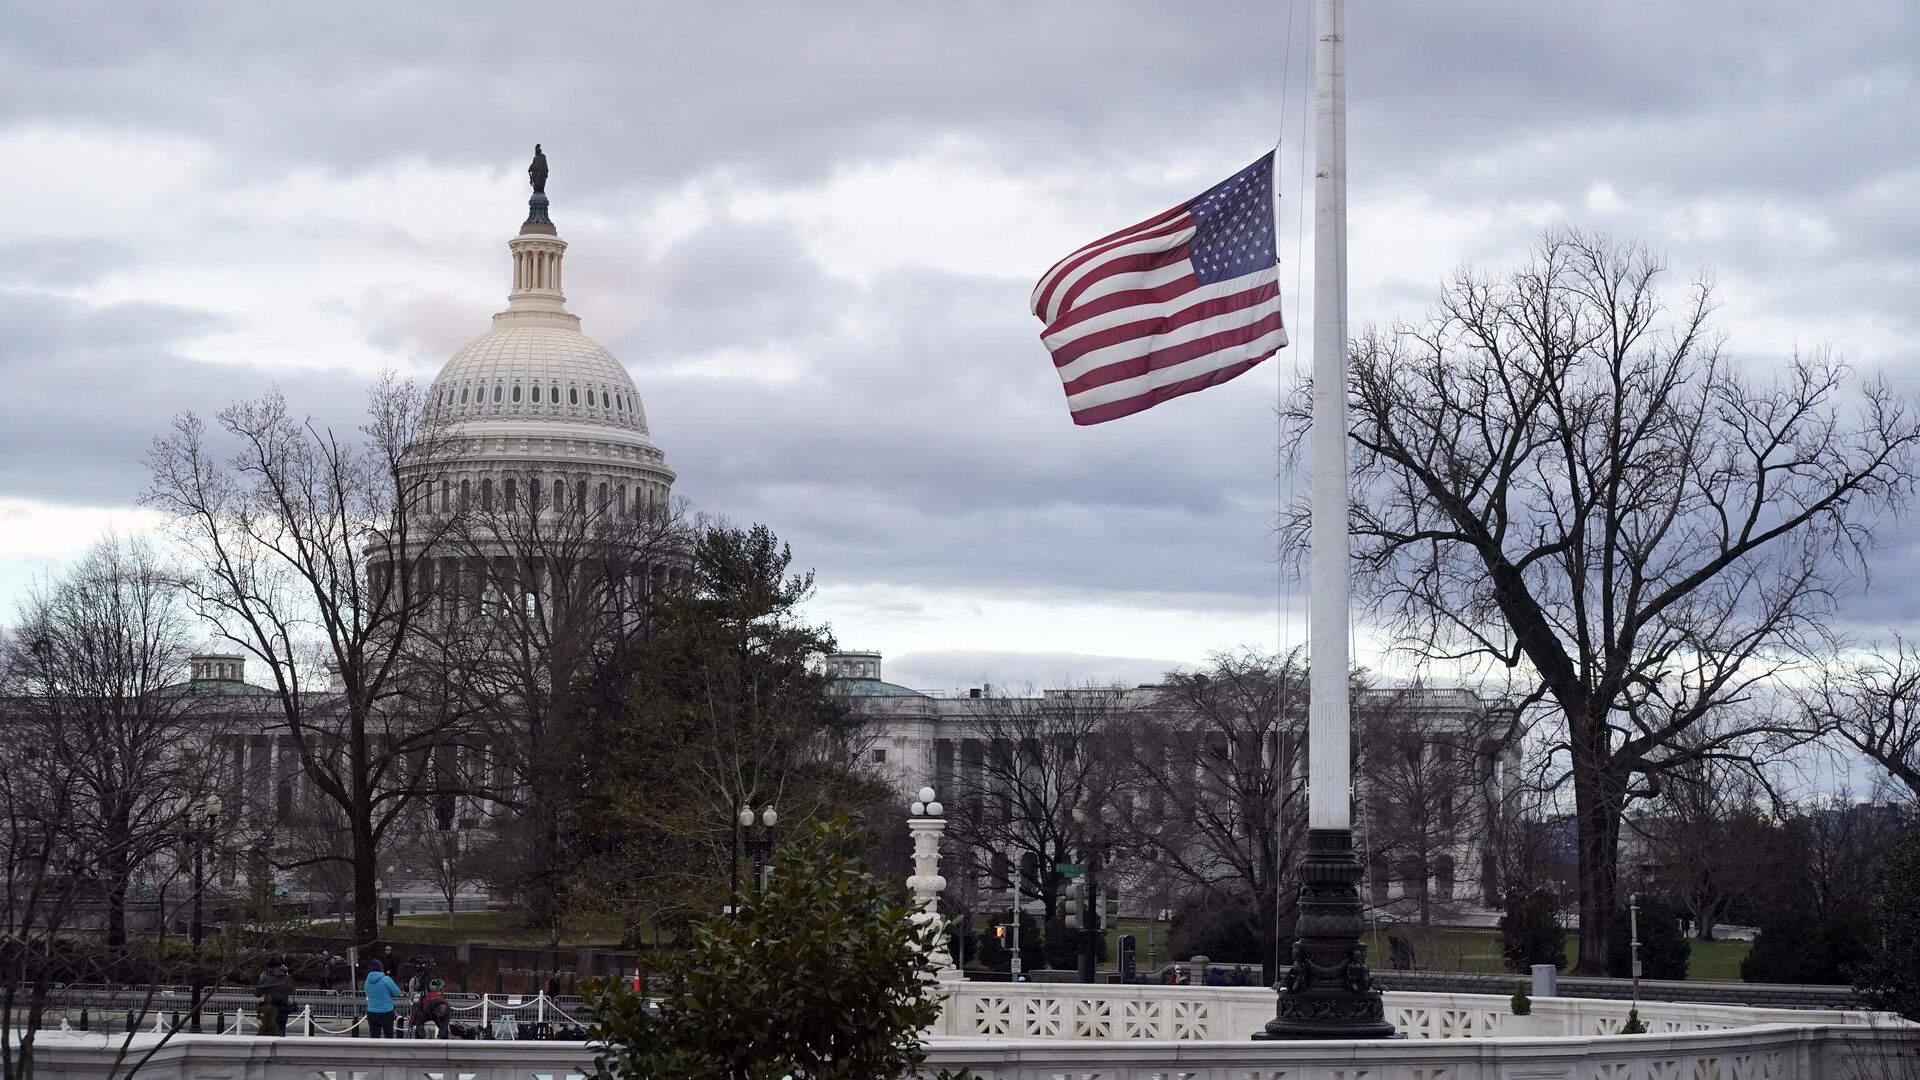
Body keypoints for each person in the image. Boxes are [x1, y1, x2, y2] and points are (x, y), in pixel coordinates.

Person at [363, 960, 403, 1038]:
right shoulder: (386, 979)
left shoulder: (367, 981)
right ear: (381, 969)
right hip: (386, 1012)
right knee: (388, 1037)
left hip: (371, 1012)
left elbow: (367, 993)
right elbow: (397, 992)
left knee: (374, 1037)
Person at [254, 958, 293, 1036]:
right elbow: (292, 990)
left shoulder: (267, 978)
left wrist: (261, 980)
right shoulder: (287, 978)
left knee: (268, 1035)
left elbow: (258, 993)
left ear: (269, 968)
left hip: (270, 1010)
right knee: (281, 1034)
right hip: (283, 1010)